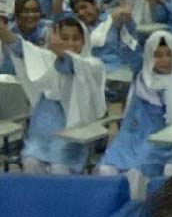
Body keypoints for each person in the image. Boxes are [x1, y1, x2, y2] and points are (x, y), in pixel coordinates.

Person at [96, 32, 172, 199]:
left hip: (163, 141)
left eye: (169, 54)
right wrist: (123, 26)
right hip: (130, 138)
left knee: (136, 174)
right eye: (158, 55)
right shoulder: (141, 78)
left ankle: (133, 215)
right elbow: (128, 51)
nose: (164, 60)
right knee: (106, 171)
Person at [0, 13, 106, 174]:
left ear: (84, 40)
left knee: (59, 168)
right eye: (64, 38)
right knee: (30, 162)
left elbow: (70, 65)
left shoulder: (92, 64)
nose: (70, 43)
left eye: (75, 38)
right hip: (43, 127)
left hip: (73, 130)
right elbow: (19, 48)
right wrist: (2, 30)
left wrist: (60, 53)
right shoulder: (46, 57)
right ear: (55, 38)